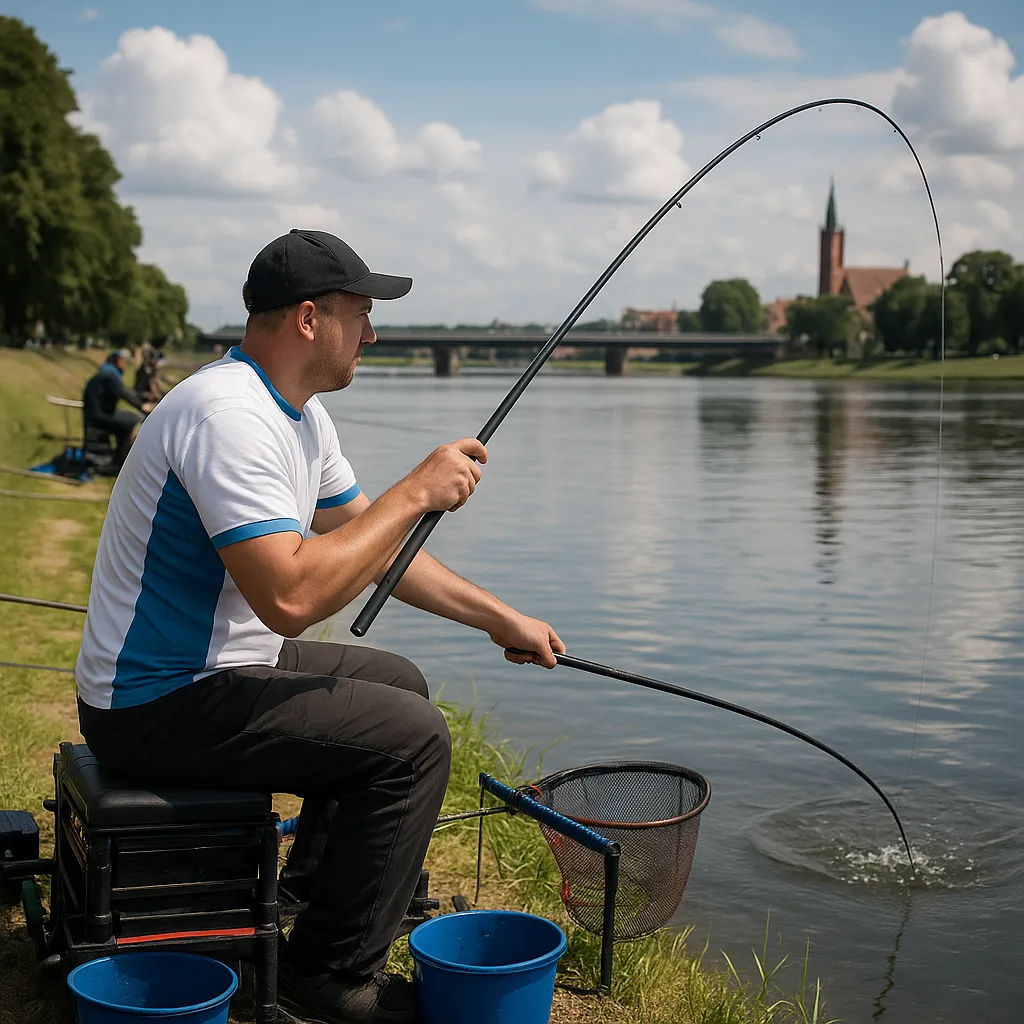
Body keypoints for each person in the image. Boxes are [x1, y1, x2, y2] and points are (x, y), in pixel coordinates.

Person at [74, 229, 565, 1024]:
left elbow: (373, 548)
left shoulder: (297, 417)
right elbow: (293, 599)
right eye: (361, 315)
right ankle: (329, 977)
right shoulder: (227, 415)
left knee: (399, 683)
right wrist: (418, 489)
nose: (371, 334)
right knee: (413, 738)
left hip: (213, 668)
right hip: (149, 701)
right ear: (310, 318)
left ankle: (310, 898)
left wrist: (501, 620)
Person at [81, 349, 153, 470]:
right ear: (117, 361)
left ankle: (119, 458)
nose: (124, 364)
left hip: (98, 413)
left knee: (127, 419)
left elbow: (124, 391)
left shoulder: (107, 372)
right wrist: (142, 406)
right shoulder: (110, 375)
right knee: (132, 421)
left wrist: (142, 397)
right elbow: (123, 393)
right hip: (100, 416)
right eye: (122, 361)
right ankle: (120, 462)